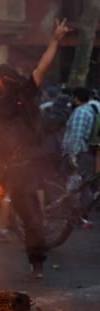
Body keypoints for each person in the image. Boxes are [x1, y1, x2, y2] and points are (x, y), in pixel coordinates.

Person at [0, 18, 70, 279]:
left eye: (5, 81)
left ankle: (37, 264)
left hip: (22, 169)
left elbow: (41, 68)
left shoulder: (24, 95)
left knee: (32, 219)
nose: (1, 85)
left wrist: (54, 41)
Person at [62, 87, 99, 225]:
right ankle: (83, 216)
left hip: (79, 153)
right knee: (83, 185)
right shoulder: (91, 110)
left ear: (76, 98)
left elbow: (76, 135)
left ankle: (79, 216)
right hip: (86, 153)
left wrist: (72, 155)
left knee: (77, 185)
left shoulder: (81, 112)